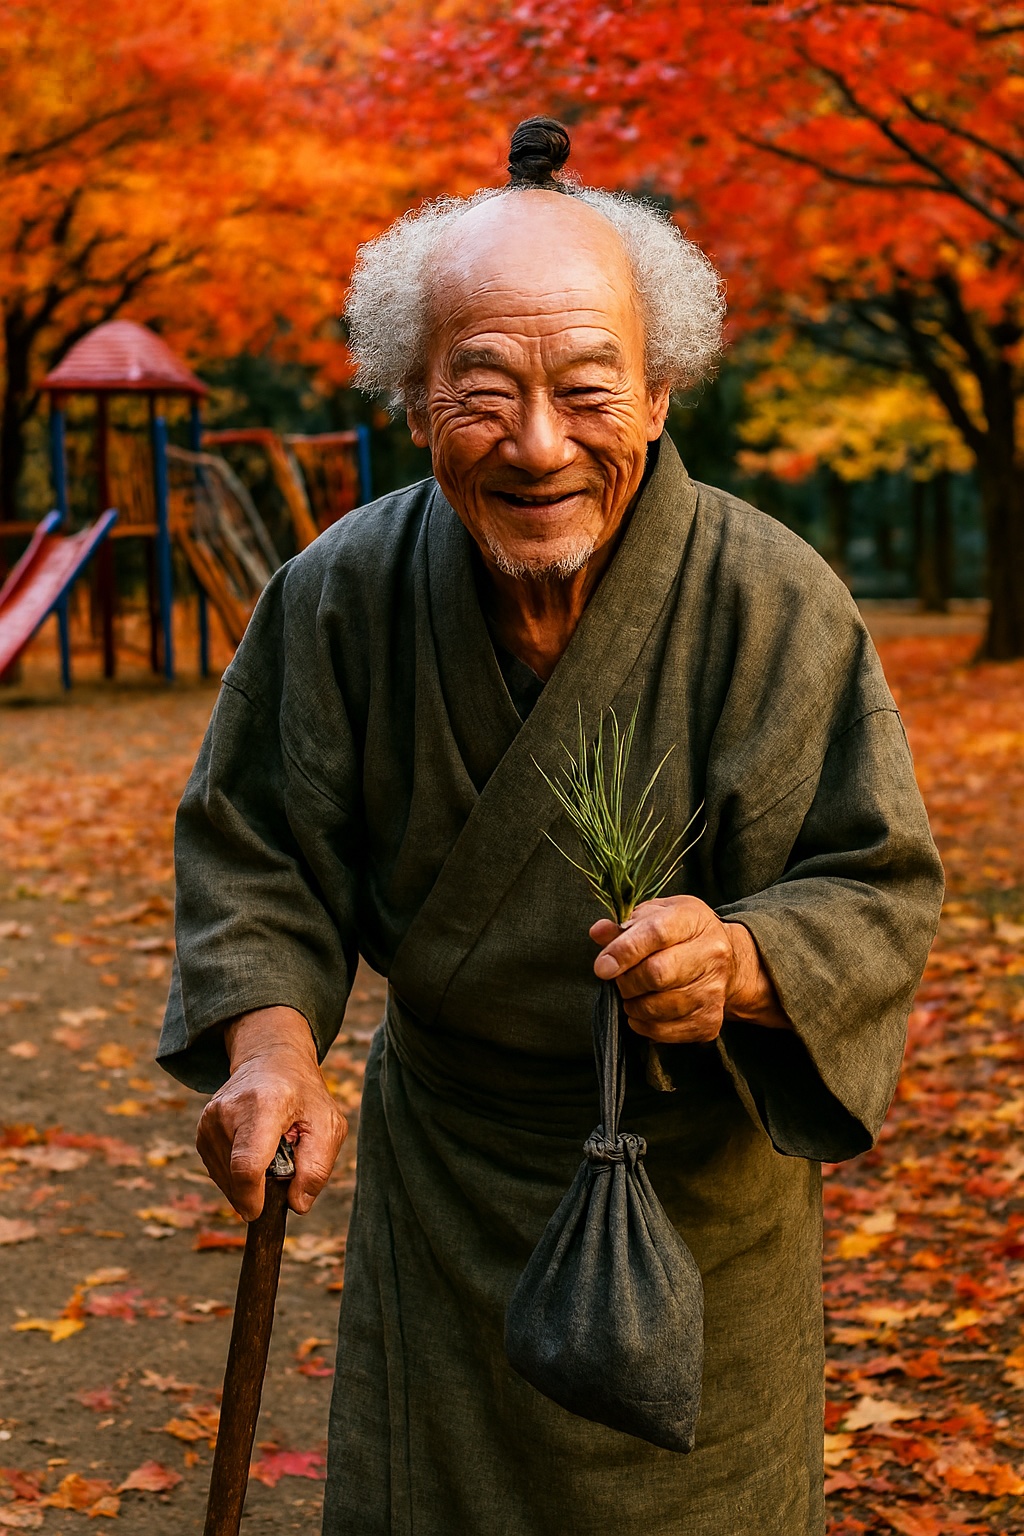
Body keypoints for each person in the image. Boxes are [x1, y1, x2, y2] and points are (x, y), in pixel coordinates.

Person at [158, 118, 944, 1535]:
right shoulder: (340, 596)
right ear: (411, 400)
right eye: (484, 393)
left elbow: (875, 884)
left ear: (656, 396)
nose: (537, 444)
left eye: (587, 390)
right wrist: (272, 1051)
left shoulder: (773, 601)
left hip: (697, 1205)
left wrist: (740, 961)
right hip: (450, 1188)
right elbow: (258, 855)